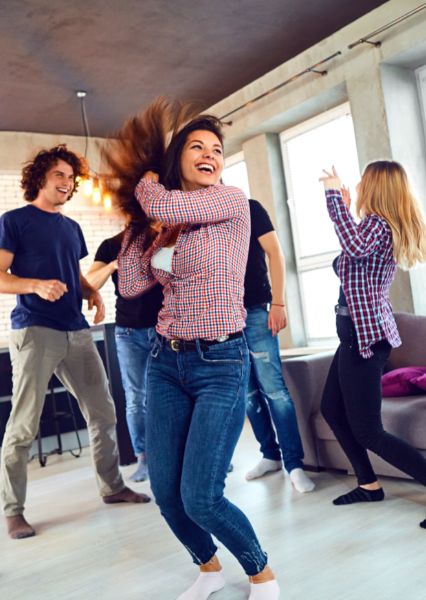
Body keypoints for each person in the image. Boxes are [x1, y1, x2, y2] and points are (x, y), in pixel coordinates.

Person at [102, 98, 280, 600]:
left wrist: (145, 188)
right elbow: (134, 284)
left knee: (201, 495)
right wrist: (140, 229)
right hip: (165, 360)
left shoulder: (230, 202)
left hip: (220, 362)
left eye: (217, 150)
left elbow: (161, 202)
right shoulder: (168, 221)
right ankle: (208, 569)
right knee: (166, 490)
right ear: (179, 159)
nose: (209, 155)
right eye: (197, 147)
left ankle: (262, 574)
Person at [0, 145, 150, 540]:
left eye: (70, 177)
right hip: (34, 329)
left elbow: (73, 273)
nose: (66, 183)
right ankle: (13, 510)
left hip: (76, 330)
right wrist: (34, 285)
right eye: (59, 174)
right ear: (40, 177)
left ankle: (112, 487)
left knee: (104, 414)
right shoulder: (14, 221)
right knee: (24, 425)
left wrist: (90, 293)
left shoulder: (71, 228)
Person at [317, 162, 426, 530]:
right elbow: (352, 253)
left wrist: (333, 197)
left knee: (369, 429)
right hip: (356, 336)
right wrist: (346, 207)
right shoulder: (376, 227)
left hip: (363, 339)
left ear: (376, 188)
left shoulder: (377, 226)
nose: (356, 185)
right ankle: (368, 484)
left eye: (362, 181)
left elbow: (351, 246)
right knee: (332, 409)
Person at [240, 199, 315, 493]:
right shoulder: (195, 217)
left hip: (257, 310)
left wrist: (279, 303)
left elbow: (276, 254)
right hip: (221, 320)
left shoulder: (250, 208)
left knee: (274, 389)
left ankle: (294, 464)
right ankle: (269, 455)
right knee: (247, 394)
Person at [86, 230, 165, 482]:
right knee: (135, 398)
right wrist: (113, 265)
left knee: (175, 394)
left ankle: (189, 456)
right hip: (129, 333)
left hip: (166, 329)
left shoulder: (165, 237)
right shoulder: (111, 245)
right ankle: (143, 460)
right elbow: (89, 284)